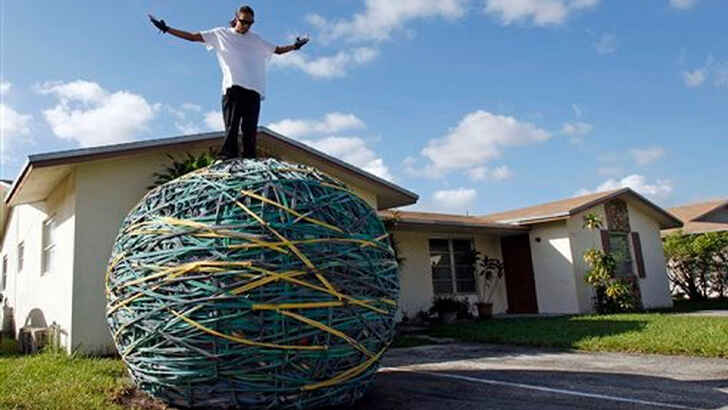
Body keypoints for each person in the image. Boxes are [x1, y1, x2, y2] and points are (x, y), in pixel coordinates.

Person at [149, 6, 309, 160]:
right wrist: (167, 29)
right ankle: (228, 155)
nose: (246, 25)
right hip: (234, 86)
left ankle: (249, 158)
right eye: (243, 21)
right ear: (235, 19)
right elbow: (192, 37)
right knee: (232, 126)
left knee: (250, 130)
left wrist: (295, 46)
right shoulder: (221, 34)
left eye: (250, 23)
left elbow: (278, 50)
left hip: (254, 89)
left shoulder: (256, 39)